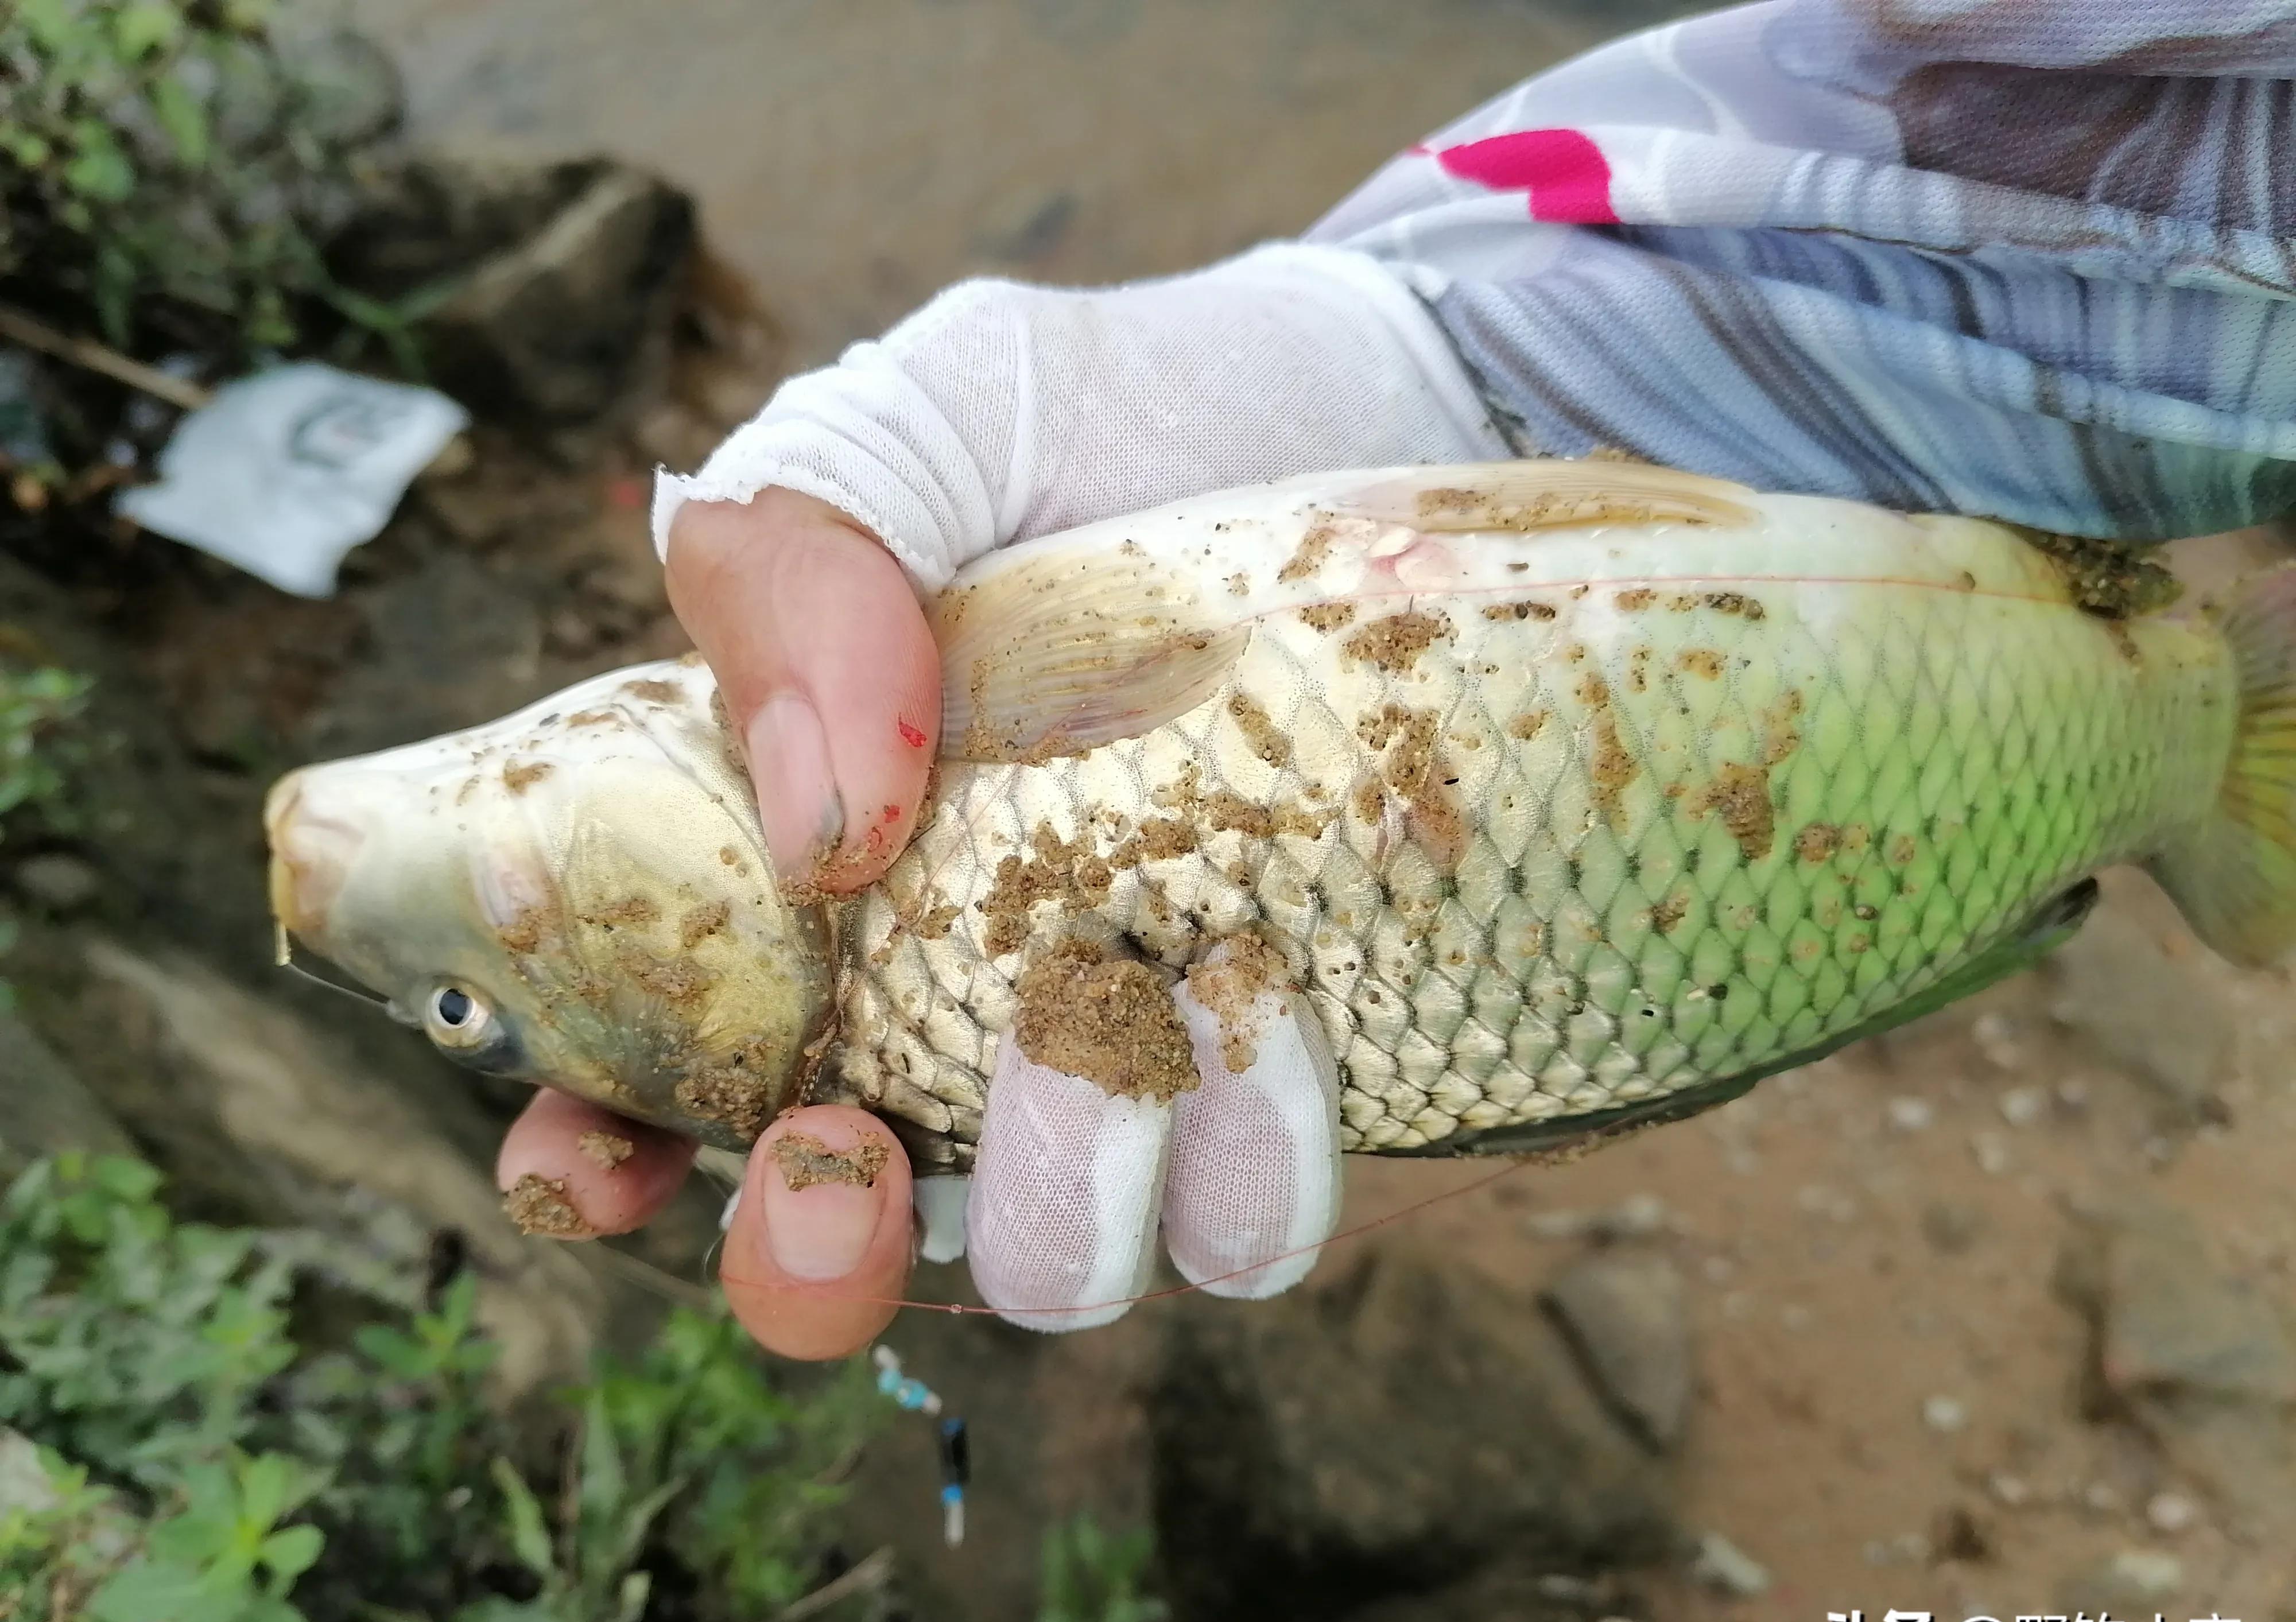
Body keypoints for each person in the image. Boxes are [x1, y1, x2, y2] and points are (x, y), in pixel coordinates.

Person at [495, 0, 2296, 1360]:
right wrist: (1441, 368)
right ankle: (2141, 749)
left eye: (471, 990)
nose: (488, 962)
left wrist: (1458, 357)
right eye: (473, 997)